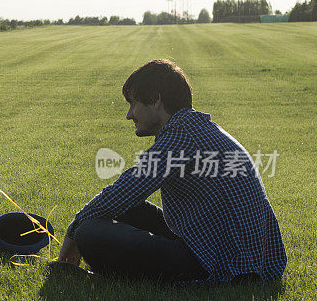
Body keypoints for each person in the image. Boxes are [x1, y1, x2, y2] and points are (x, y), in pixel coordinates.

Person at [56, 59, 286, 283]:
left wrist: (72, 233)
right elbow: (124, 196)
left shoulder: (182, 136)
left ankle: (116, 275)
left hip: (219, 263)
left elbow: (126, 189)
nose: (129, 114)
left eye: (133, 103)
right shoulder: (195, 127)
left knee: (88, 232)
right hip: (233, 252)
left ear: (156, 99)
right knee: (123, 209)